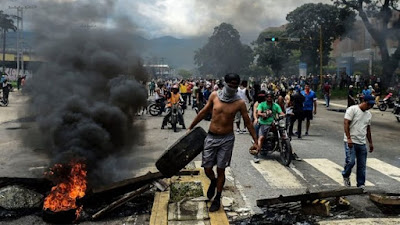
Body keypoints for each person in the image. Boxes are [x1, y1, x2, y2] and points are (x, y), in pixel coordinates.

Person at [188, 73, 259, 212]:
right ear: (225, 83)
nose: (232, 87)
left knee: (221, 169)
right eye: (230, 84)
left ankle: (217, 198)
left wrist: (256, 141)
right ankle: (213, 181)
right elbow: (203, 112)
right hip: (211, 136)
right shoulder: (214, 95)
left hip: (227, 139)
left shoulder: (239, 103)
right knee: (207, 168)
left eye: (235, 85)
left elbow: (248, 123)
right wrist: (191, 127)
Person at [342, 95, 375, 189]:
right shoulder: (352, 110)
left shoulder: (368, 114)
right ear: (363, 101)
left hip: (362, 142)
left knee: (362, 165)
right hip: (351, 141)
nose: (369, 107)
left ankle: (361, 184)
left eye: (371, 106)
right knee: (351, 161)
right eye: (369, 105)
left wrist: (370, 143)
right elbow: (346, 123)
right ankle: (345, 174)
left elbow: (368, 129)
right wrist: (348, 138)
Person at [255, 91, 285, 163]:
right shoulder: (262, 105)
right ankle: (256, 154)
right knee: (261, 138)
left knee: (284, 134)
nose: (269, 98)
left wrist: (283, 115)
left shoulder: (276, 105)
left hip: (274, 123)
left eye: (271, 97)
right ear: (265, 98)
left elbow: (281, 113)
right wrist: (263, 114)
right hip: (264, 123)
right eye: (268, 97)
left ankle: (291, 152)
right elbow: (258, 112)